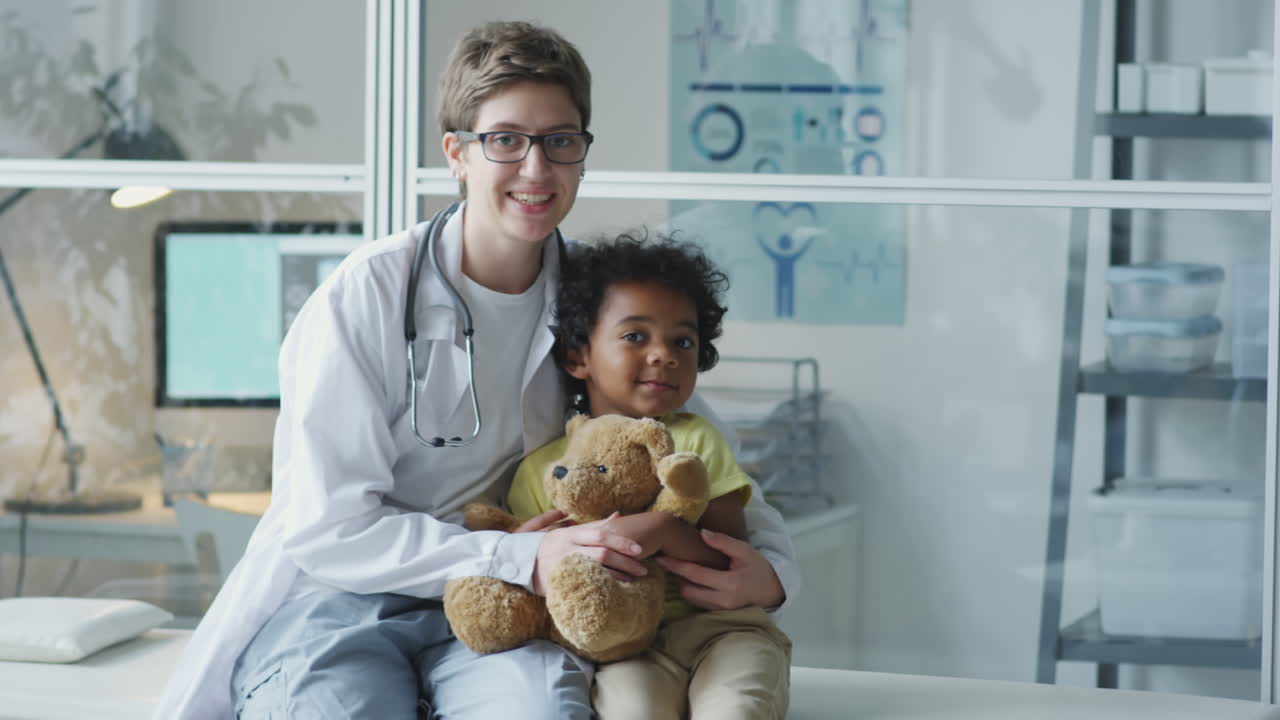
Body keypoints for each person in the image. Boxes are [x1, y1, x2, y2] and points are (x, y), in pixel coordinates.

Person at [154, 20, 799, 720]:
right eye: (505, 141)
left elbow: (688, 445)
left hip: (513, 613)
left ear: (582, 153)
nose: (536, 169)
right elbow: (327, 527)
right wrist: (509, 555)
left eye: (560, 141)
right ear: (457, 153)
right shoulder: (367, 293)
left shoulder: (600, 301)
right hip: (345, 599)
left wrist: (774, 575)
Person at [507, 233, 792, 720]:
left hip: (723, 630)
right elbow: (539, 564)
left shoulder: (698, 441)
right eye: (636, 336)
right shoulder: (545, 469)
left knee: (735, 708)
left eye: (683, 341)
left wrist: (658, 530)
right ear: (579, 357)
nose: (664, 354)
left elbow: (727, 552)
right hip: (626, 649)